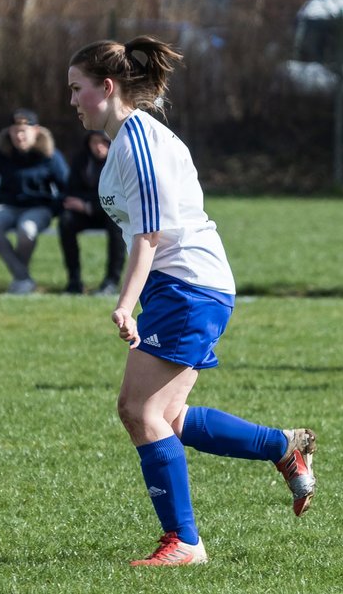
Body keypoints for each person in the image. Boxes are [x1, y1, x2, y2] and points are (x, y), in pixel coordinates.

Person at [67, 36, 317, 566]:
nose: (71, 101)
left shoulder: (139, 141)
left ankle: (184, 542)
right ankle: (280, 446)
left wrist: (124, 303)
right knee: (167, 416)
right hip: (181, 286)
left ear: (106, 88)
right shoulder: (126, 140)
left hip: (189, 285)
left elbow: (149, 235)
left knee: (140, 411)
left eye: (76, 89)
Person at [0, 108, 69, 294]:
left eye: (23, 131)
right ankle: (23, 278)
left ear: (36, 131)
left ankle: (21, 281)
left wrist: (53, 209)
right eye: (15, 131)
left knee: (27, 229)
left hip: (38, 208)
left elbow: (67, 187)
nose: (19, 136)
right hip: (7, 206)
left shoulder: (50, 155)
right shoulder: (1, 153)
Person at [60, 130, 125, 294]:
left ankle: (111, 280)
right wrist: (86, 205)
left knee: (117, 225)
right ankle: (74, 281)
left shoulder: (120, 161)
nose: (98, 147)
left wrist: (88, 205)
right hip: (86, 213)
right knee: (66, 221)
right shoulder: (81, 160)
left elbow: (120, 196)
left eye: (103, 142)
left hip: (111, 213)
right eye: (94, 142)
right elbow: (71, 191)